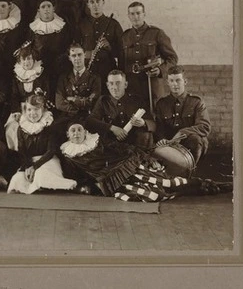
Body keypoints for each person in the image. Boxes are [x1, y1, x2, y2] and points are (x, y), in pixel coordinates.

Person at [59, 122, 230, 202]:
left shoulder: (97, 141)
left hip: (128, 167)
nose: (76, 133)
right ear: (68, 135)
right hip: (111, 181)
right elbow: (77, 177)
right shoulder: (68, 154)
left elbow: (121, 148)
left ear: (85, 131)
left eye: (79, 129)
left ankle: (211, 185)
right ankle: (202, 188)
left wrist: (144, 156)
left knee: (165, 181)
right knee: (157, 193)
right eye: (72, 130)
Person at [7, 93, 77, 194]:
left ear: (42, 110)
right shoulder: (22, 127)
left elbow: (51, 151)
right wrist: (28, 166)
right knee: (17, 181)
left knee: (41, 176)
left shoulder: (48, 124)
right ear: (25, 111)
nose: (33, 113)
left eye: (36, 109)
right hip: (30, 161)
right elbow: (22, 151)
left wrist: (35, 166)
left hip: (47, 159)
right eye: (29, 110)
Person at [154, 65, 212, 176]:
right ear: (167, 82)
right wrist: (162, 139)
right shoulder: (162, 104)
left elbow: (204, 126)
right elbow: (159, 126)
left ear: (185, 81)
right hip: (169, 142)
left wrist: (182, 133)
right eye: (171, 81)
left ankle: (190, 172)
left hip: (189, 143)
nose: (175, 84)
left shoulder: (196, 102)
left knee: (196, 140)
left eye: (178, 80)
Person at [121, 1, 178, 109]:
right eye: (132, 14)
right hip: (132, 87)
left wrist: (160, 70)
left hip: (152, 85)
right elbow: (122, 63)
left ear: (144, 14)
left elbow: (173, 58)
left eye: (138, 13)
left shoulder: (157, 33)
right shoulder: (125, 36)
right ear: (128, 16)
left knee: (156, 115)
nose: (135, 17)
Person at [85, 70, 155, 149]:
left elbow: (153, 124)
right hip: (112, 145)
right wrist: (112, 128)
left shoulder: (137, 100)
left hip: (135, 145)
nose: (114, 87)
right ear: (107, 85)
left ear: (125, 85)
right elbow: (90, 121)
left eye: (118, 83)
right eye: (111, 83)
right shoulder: (103, 101)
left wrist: (143, 123)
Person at [79, 0, 123, 95]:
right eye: (92, 2)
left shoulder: (113, 24)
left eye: (98, 1)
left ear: (103, 2)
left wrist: (110, 47)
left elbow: (122, 51)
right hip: (88, 73)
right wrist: (86, 54)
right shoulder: (81, 25)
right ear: (88, 5)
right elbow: (72, 48)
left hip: (108, 73)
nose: (95, 5)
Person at [54, 43, 102, 135]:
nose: (77, 58)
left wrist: (71, 99)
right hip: (68, 117)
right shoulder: (63, 78)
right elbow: (59, 103)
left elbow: (93, 101)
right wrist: (75, 108)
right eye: (73, 55)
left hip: (87, 117)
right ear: (69, 58)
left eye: (79, 54)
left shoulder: (95, 78)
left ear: (85, 55)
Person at [28, 0, 73, 90]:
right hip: (40, 69)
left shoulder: (63, 26)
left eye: (49, 6)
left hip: (60, 67)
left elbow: (68, 46)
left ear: (54, 9)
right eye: (43, 7)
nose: (46, 9)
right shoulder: (33, 28)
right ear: (39, 11)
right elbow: (30, 48)